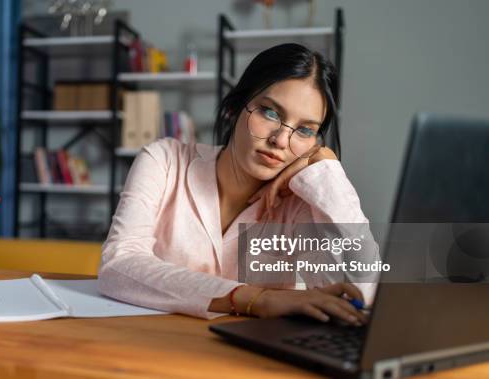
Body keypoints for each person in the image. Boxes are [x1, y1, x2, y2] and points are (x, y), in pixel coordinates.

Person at [98, 43, 375, 325]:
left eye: (304, 130)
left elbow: (358, 297)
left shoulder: (302, 201)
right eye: (269, 112)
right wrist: (257, 299)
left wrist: (326, 168)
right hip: (152, 350)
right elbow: (118, 266)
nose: (280, 140)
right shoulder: (164, 161)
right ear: (233, 108)